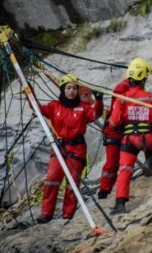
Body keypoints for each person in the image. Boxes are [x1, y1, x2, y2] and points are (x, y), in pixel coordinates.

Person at [97, 58, 152, 200]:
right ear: (143, 78)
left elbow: (116, 118)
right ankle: (151, 162)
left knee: (124, 168)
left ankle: (119, 202)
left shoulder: (123, 95)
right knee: (113, 163)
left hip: (127, 137)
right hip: (133, 135)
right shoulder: (137, 93)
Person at [36, 73, 104, 223]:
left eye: (74, 88)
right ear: (62, 89)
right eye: (68, 88)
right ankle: (46, 213)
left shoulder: (83, 107)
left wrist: (98, 100)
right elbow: (38, 109)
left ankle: (68, 214)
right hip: (59, 148)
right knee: (52, 179)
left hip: (77, 149)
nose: (72, 91)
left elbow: (96, 114)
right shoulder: (54, 106)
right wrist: (29, 94)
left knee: (73, 182)